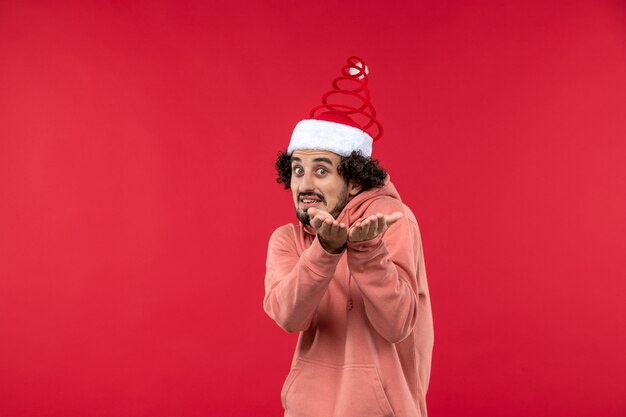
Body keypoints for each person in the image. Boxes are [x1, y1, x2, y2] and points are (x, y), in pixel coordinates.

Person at [264, 56, 434, 417]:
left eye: (321, 170)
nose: (304, 184)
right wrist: (325, 251)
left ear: (355, 179)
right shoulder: (287, 240)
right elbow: (289, 317)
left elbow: (398, 323)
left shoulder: (393, 221)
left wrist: (367, 251)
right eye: (297, 171)